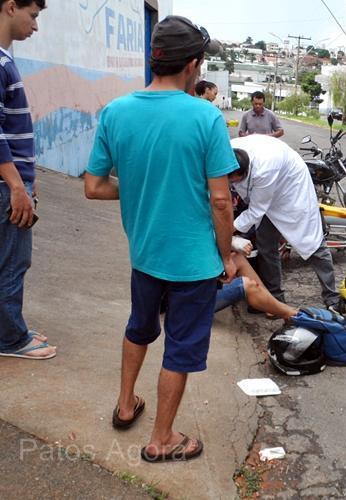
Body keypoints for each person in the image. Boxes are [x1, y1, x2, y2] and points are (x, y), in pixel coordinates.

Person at [84, 16, 239, 463]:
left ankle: (126, 403)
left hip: (144, 253)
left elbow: (94, 186)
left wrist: (137, 186)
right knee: (181, 345)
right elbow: (221, 201)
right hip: (193, 262)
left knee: (139, 327)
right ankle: (162, 439)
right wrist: (225, 253)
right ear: (192, 65)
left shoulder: (116, 111)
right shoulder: (205, 118)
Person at [0, 0, 54, 361]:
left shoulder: (5, 60)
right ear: (10, 7)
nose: (35, 26)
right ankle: (11, 339)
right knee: (12, 262)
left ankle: (10, 328)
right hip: (6, 186)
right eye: (32, 16)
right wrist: (16, 186)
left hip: (12, 181)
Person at [229, 135, 340, 310]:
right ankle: (275, 298)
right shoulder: (226, 153)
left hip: (290, 190)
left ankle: (333, 299)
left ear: (245, 173)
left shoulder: (264, 170)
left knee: (312, 244)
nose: (230, 183)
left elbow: (256, 211)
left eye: (233, 180)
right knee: (266, 245)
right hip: (264, 193)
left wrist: (227, 232)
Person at [214, 237, 298, 320]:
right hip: (203, 298)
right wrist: (233, 241)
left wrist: (234, 242)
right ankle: (292, 314)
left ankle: (271, 304)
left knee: (237, 258)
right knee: (248, 284)